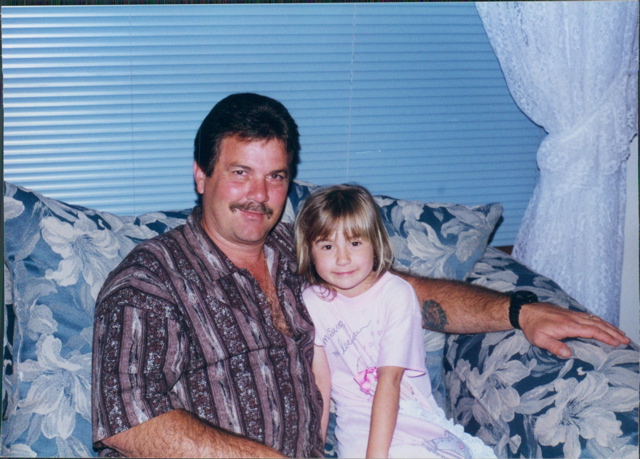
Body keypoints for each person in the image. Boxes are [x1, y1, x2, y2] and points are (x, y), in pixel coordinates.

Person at [91, 92, 630, 458]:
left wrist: (518, 311)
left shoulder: (297, 248)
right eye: (240, 173)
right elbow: (127, 420)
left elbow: (403, 293)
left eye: (275, 177)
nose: (259, 195)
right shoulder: (148, 282)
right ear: (201, 175)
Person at [295, 184, 497, 459]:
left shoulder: (396, 293)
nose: (342, 259)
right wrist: (313, 450)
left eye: (355, 243)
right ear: (310, 252)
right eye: (328, 246)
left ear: (375, 244)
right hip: (355, 425)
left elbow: (389, 380)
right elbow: (320, 383)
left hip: (408, 414)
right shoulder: (312, 302)